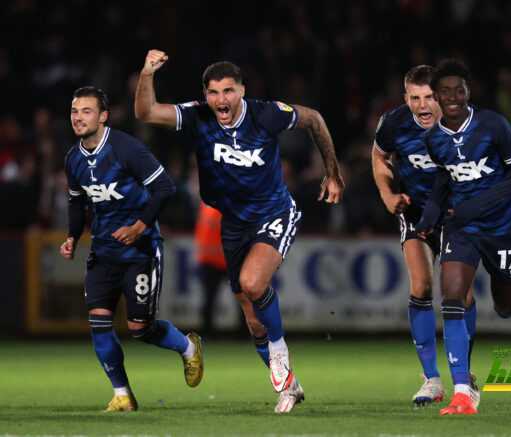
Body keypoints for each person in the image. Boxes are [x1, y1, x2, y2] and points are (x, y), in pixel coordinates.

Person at [134, 50, 345, 413]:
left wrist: (332, 171)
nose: (222, 100)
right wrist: (147, 73)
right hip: (233, 223)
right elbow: (146, 112)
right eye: (214, 92)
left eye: (229, 91)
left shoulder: (265, 114)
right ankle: (290, 386)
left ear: (242, 91)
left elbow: (314, 119)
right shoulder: (199, 116)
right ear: (206, 95)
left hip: (275, 212)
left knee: (252, 282)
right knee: (252, 320)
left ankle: (280, 353)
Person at [415, 59, 511, 415]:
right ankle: (463, 391)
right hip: (461, 229)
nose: (452, 97)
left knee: (505, 307)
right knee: (452, 300)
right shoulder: (433, 139)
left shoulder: (493, 125)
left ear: (468, 92)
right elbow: (443, 181)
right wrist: (428, 218)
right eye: (444, 92)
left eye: (458, 90)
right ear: (435, 97)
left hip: (504, 227)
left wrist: (476, 205)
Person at [60, 86, 203, 412]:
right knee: (98, 322)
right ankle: (122, 393)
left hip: (141, 250)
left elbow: (165, 187)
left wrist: (140, 226)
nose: (79, 118)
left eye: (86, 111)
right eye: (74, 112)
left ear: (103, 116)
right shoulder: (72, 159)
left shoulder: (126, 148)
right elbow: (77, 201)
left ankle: (187, 348)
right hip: (103, 252)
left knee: (141, 328)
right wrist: (72, 236)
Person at [371, 65, 478, 407]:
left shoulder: (462, 124)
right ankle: (432, 379)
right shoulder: (393, 123)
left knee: (460, 295)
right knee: (421, 287)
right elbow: (378, 157)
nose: (422, 105)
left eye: (429, 97)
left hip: (456, 216)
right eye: (415, 98)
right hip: (416, 214)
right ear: (406, 99)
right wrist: (388, 195)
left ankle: (465, 372)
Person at [194, 202, 227, 338]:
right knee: (209, 300)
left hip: (222, 260)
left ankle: (208, 332)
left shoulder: (205, 206)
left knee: (209, 299)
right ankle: (207, 331)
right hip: (215, 260)